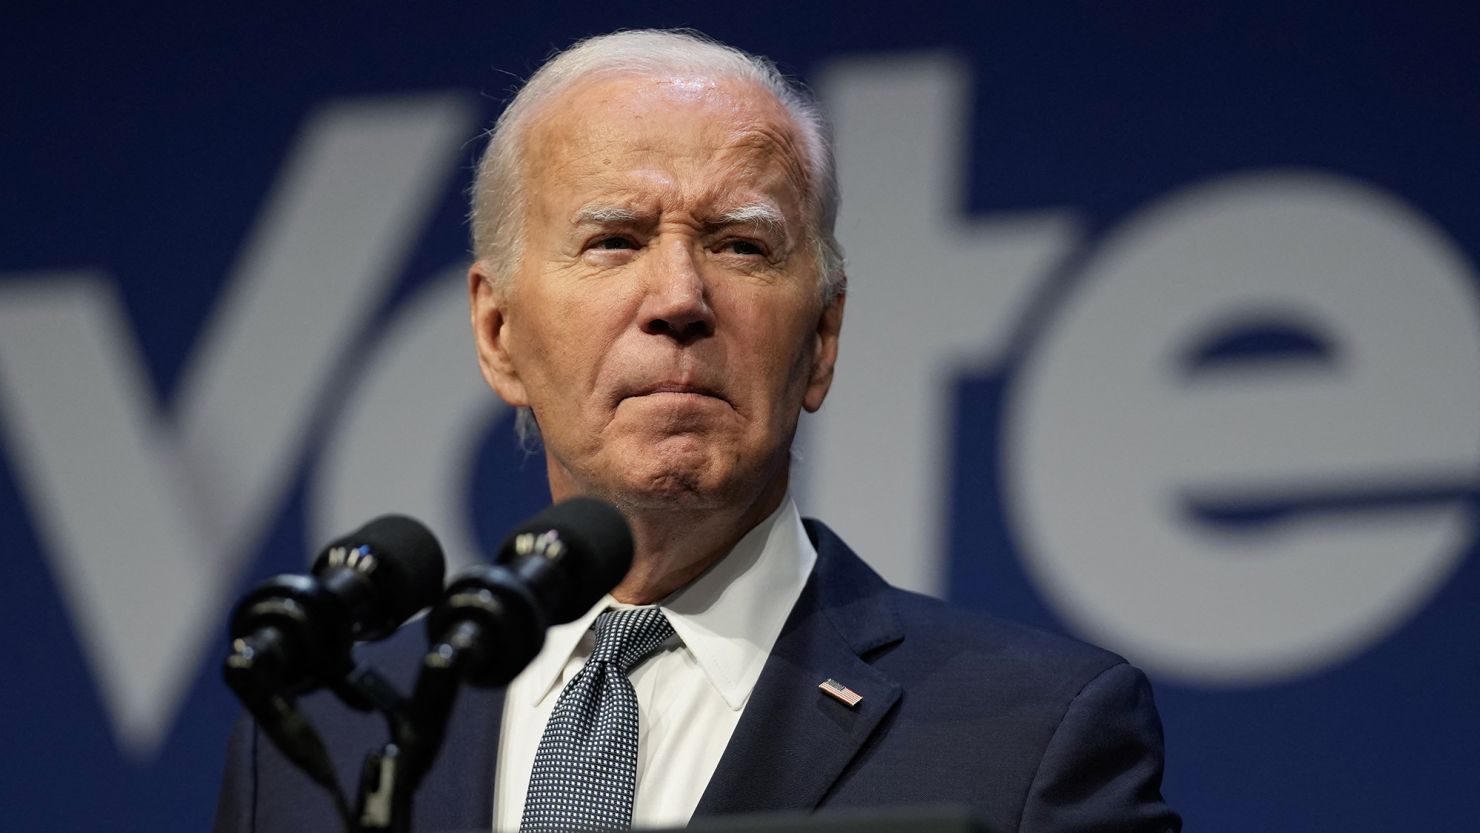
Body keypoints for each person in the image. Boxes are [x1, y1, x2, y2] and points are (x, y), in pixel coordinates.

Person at [215, 28, 1180, 833]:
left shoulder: (1031, 735)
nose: (679, 298)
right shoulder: (321, 741)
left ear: (823, 338)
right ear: (497, 332)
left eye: (740, 245)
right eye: (615, 241)